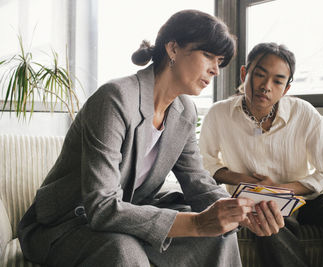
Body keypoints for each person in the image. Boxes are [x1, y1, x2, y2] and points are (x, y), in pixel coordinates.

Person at [18, 11, 285, 267]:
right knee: (123, 251)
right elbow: (101, 206)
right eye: (208, 56)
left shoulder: (185, 111)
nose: (215, 70)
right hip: (67, 224)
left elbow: (198, 184)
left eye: (220, 61)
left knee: (220, 233)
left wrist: (244, 211)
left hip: (127, 216)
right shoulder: (115, 99)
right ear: (173, 49)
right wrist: (196, 223)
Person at [199, 42, 323, 267]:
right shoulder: (219, 113)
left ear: (287, 88)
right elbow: (204, 164)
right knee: (267, 222)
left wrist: (283, 189)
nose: (266, 86)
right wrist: (245, 181)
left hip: (303, 198)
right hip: (256, 201)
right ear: (244, 74)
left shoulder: (304, 113)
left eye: (277, 81)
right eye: (260, 75)